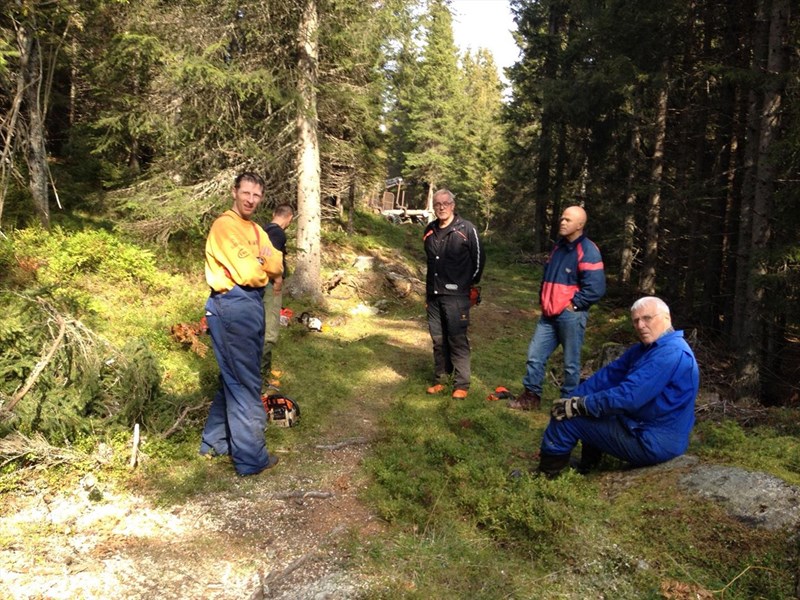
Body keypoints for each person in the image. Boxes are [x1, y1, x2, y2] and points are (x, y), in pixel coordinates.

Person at [535, 296, 700, 477]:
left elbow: (628, 397)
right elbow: (607, 377)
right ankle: (588, 467)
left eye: (647, 318)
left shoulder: (670, 353)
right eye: (636, 320)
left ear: (667, 318)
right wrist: (572, 399)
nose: (640, 325)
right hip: (644, 428)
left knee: (569, 418)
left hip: (654, 440)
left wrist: (578, 406)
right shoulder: (646, 349)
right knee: (588, 407)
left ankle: (546, 476)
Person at [199, 172, 283, 476]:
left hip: (251, 304)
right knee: (245, 382)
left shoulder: (257, 229)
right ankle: (251, 458)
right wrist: (261, 265)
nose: (250, 199)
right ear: (235, 192)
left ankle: (215, 442)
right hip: (231, 305)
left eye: (256, 195)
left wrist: (264, 263)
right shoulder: (225, 226)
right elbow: (250, 272)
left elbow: (278, 263)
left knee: (233, 377)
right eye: (246, 193)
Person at [508, 205, 605, 411]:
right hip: (548, 315)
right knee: (535, 355)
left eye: (568, 220)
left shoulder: (587, 250)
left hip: (571, 316)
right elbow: (548, 277)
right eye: (562, 218)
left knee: (571, 363)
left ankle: (566, 403)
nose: (562, 222)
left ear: (580, 225)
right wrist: (544, 299)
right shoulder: (558, 247)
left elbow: (596, 287)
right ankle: (531, 397)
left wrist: (573, 304)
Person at [423, 189, 486, 399]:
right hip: (433, 296)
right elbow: (430, 265)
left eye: (446, 203)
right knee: (438, 339)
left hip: (457, 297)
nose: (441, 207)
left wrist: (465, 285)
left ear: (453, 205)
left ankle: (461, 384)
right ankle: (441, 379)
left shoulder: (467, 229)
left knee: (457, 339)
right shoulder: (429, 231)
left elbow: (479, 262)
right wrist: (427, 296)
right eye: (438, 203)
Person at [260, 204, 294, 382]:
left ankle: (266, 369)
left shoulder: (263, 229)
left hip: (261, 285)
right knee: (270, 332)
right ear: (289, 218)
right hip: (270, 286)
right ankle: (259, 375)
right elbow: (270, 259)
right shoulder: (278, 233)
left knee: (263, 328)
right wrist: (278, 280)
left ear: (274, 214)